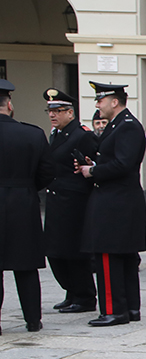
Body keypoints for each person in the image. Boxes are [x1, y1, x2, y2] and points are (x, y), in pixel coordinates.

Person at [78, 82, 146, 327]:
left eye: (100, 100)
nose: (98, 105)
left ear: (114, 101)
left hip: (116, 201)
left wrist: (93, 171)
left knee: (108, 255)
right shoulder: (119, 125)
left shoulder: (126, 126)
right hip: (118, 199)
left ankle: (113, 309)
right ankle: (129, 307)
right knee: (123, 256)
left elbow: (124, 164)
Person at [0, 79, 53, 334]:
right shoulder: (32, 134)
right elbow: (47, 172)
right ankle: (33, 320)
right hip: (23, 202)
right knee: (26, 265)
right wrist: (27, 187)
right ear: (9, 105)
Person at [43, 88, 100, 315]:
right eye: (50, 111)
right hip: (57, 199)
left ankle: (85, 295)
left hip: (75, 201)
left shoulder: (83, 134)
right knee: (56, 252)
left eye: (57, 111)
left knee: (74, 252)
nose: (52, 115)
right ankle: (71, 291)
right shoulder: (56, 135)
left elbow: (90, 165)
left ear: (70, 113)